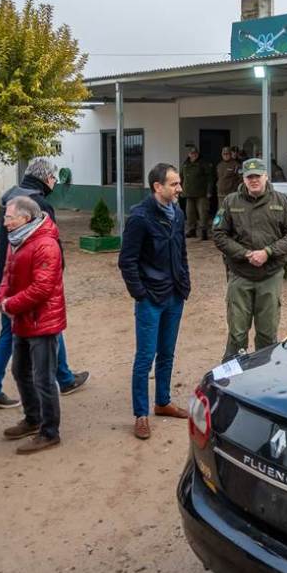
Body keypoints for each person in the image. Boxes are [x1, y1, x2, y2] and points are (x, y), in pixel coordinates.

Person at [0, 157, 88, 409]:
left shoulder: (11, 196)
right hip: (29, 282)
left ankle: (65, 377)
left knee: (42, 329)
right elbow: (50, 244)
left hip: (8, 278)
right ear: (45, 178)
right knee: (23, 332)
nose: (54, 183)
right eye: (53, 178)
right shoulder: (38, 203)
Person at [118, 164, 192, 440]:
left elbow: (182, 251)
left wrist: (185, 282)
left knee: (167, 353)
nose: (179, 189)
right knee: (145, 357)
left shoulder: (178, 213)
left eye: (179, 183)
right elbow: (127, 261)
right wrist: (140, 293)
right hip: (151, 298)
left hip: (174, 295)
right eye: (174, 184)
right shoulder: (140, 217)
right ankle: (141, 414)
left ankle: (162, 402)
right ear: (157, 187)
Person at [213, 159, 287, 362]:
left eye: (257, 176)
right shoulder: (231, 202)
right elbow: (219, 234)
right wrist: (244, 254)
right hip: (240, 274)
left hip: (270, 275)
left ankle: (264, 375)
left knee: (267, 333)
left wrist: (268, 252)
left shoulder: (281, 201)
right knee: (237, 334)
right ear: (243, 178)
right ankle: (233, 378)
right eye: (249, 177)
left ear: (266, 177)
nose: (254, 180)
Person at [0, 196, 67, 454]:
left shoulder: (46, 244)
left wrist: (10, 305)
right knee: (19, 370)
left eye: (9, 217)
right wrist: (1, 299)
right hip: (22, 319)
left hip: (42, 322)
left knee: (43, 378)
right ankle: (32, 418)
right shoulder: (17, 240)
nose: (4, 222)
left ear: (25, 218)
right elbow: (7, 274)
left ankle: (50, 432)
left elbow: (43, 288)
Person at [180, 147, 212, 240]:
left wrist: (209, 191)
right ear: (189, 154)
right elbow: (181, 177)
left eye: (195, 153)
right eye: (191, 153)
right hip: (188, 193)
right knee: (190, 213)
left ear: (197, 154)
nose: (193, 155)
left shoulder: (203, 163)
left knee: (203, 213)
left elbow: (210, 178)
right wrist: (181, 189)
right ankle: (191, 230)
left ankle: (204, 231)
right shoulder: (185, 164)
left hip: (201, 193)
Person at [215, 146, 241, 212]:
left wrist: (235, 188)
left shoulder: (236, 165)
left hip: (231, 194)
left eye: (227, 154)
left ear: (230, 154)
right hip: (220, 194)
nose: (226, 155)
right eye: (224, 154)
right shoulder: (219, 165)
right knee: (221, 212)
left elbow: (241, 179)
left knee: (232, 212)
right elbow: (218, 177)